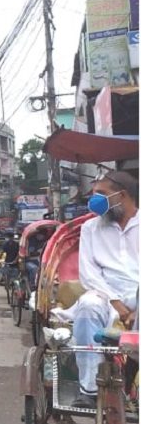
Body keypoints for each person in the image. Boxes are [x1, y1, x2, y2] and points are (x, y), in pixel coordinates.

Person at [62, 171, 139, 408]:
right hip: (105, 294)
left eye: (101, 194)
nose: (94, 200)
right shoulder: (90, 228)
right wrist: (117, 303)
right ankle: (90, 388)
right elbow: (89, 273)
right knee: (87, 305)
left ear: (122, 195)